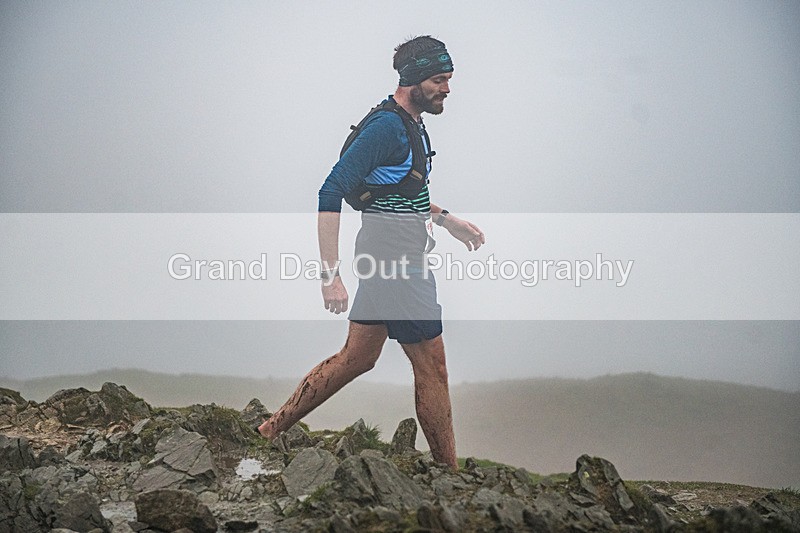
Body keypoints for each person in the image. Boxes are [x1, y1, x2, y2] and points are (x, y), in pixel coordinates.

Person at [258, 36, 485, 469]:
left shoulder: (411, 123)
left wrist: (445, 218)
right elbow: (331, 190)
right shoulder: (386, 127)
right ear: (414, 79)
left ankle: (269, 430)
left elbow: (399, 189)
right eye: (440, 79)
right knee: (432, 365)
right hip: (396, 260)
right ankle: (450, 474)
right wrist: (330, 276)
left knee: (358, 357)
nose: (448, 89)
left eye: (449, 79)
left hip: (392, 253)